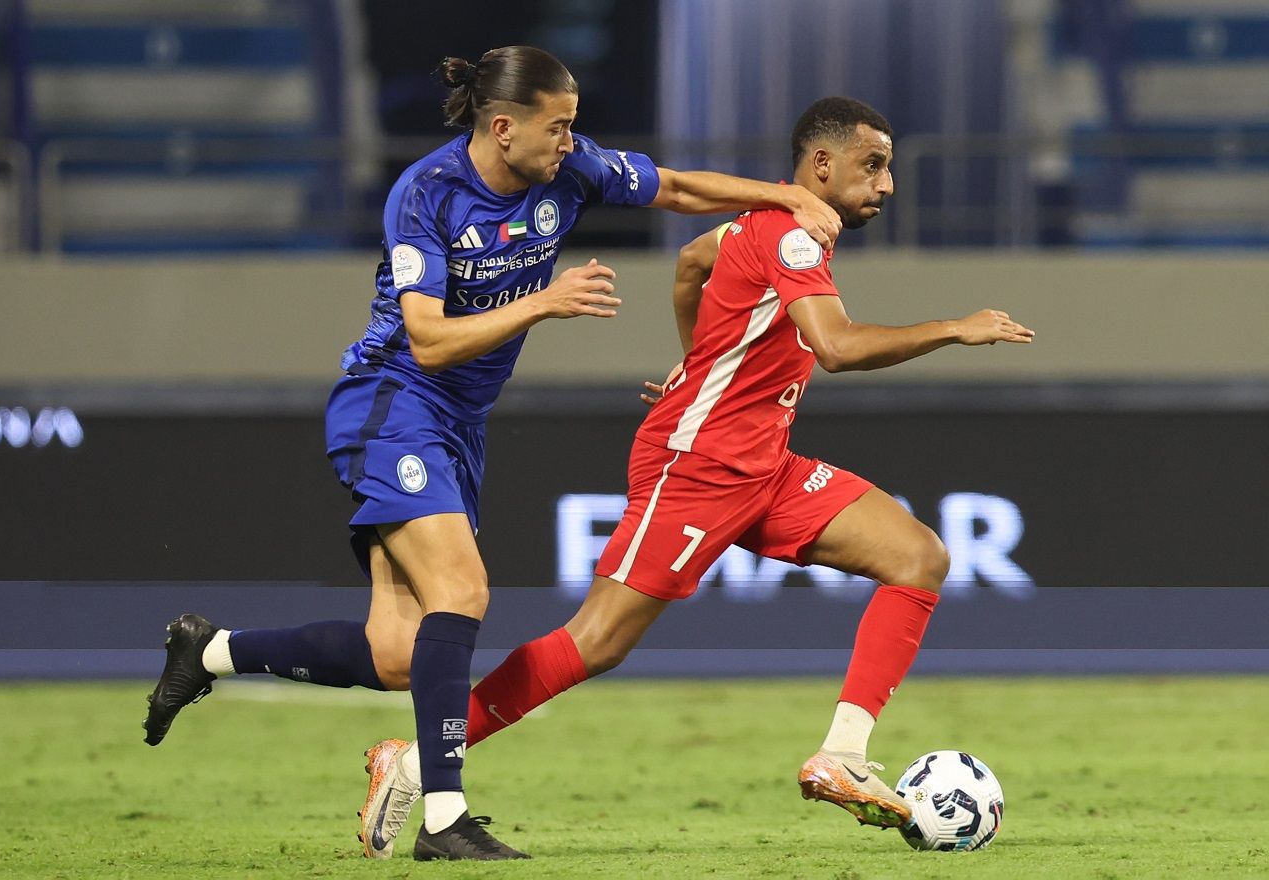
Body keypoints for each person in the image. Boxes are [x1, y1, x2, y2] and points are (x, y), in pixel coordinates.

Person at [140, 45, 843, 863]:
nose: (570, 142)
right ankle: (444, 819)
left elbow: (678, 188)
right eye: (558, 127)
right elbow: (430, 340)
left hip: (458, 425)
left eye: (574, 127)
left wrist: (786, 195)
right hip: (392, 401)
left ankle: (209, 651)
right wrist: (546, 301)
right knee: (464, 590)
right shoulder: (427, 195)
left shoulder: (568, 171)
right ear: (503, 127)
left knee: (399, 654)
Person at [358, 95, 1035, 848]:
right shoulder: (792, 236)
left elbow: (692, 263)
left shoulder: (766, 228)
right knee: (597, 642)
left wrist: (697, 361)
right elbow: (836, 348)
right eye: (872, 165)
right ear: (821, 165)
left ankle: (843, 755)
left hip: (765, 465)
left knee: (918, 557)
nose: (886, 184)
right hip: (698, 465)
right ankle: (416, 762)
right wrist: (955, 327)